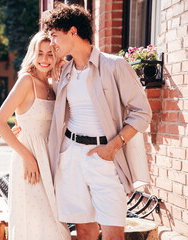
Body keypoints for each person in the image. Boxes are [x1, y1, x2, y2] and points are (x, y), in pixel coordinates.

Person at [42, 3, 152, 240]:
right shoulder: (65, 72)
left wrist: (113, 146)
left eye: (54, 36)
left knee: (113, 232)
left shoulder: (114, 66)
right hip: (70, 155)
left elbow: (142, 112)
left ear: (73, 32)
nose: (52, 43)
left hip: (104, 156)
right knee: (83, 229)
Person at [0, 31, 71, 240]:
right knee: (34, 222)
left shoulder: (52, 87)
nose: (44, 59)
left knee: (54, 223)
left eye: (50, 54)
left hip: (50, 159)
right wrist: (28, 157)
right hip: (29, 163)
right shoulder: (26, 81)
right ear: (32, 54)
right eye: (40, 53)